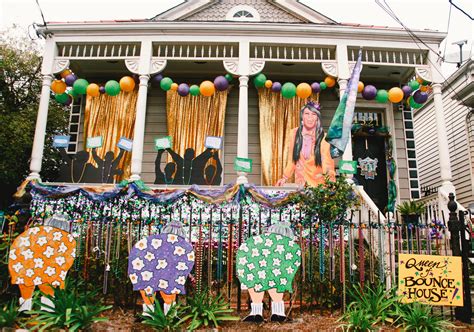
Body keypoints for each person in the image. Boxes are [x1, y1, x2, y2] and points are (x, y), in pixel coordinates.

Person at [236, 222, 301, 322]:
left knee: (256, 283)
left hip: (255, 266)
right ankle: (277, 314)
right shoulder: (284, 246)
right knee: (276, 283)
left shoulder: (257, 243)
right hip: (273, 268)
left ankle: (256, 314)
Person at [276, 101, 335, 187]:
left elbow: (327, 163)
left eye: (314, 114)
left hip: (318, 187)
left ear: (317, 118)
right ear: (302, 117)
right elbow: (292, 160)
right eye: (307, 114)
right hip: (300, 185)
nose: (310, 118)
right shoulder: (294, 133)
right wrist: (284, 178)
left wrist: (330, 183)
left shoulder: (323, 138)